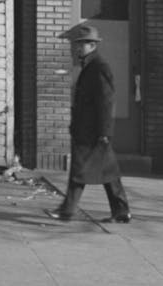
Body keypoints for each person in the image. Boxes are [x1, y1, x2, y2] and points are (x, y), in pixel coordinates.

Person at [45, 25, 132, 223]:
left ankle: (66, 211)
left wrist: (104, 132)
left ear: (92, 45)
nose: (77, 49)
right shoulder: (89, 66)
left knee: (79, 171)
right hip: (91, 131)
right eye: (76, 45)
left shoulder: (98, 67)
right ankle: (121, 211)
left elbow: (106, 101)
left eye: (81, 45)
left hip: (92, 132)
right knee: (108, 172)